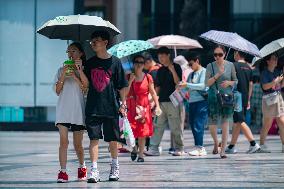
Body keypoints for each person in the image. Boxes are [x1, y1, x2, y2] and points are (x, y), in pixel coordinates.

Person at [84, 30, 128, 183]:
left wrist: (123, 104)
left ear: (105, 42)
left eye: (96, 40)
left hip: (111, 107)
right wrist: (77, 70)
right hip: (93, 107)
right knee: (93, 139)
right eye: (92, 40)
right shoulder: (89, 63)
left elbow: (122, 85)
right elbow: (85, 85)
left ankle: (115, 166)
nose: (93, 43)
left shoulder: (115, 62)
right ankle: (94, 170)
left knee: (113, 139)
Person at [54, 42, 89, 183]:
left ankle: (82, 167)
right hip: (63, 110)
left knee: (78, 145)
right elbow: (57, 91)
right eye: (68, 52)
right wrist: (63, 75)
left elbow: (85, 88)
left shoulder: (84, 70)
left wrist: (77, 73)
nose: (70, 54)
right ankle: (63, 172)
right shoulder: (60, 70)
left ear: (81, 54)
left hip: (78, 111)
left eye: (73, 51)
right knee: (63, 142)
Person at [144, 46, 185, 156]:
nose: (161, 58)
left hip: (174, 101)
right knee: (157, 125)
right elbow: (158, 87)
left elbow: (178, 83)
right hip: (162, 102)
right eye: (159, 56)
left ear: (168, 55)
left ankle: (179, 148)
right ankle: (154, 148)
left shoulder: (176, 67)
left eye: (163, 56)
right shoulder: (160, 70)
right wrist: (153, 100)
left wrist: (172, 70)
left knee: (176, 126)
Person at [125, 54, 161, 162]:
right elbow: (125, 93)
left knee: (142, 132)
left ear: (144, 64)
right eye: (137, 62)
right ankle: (134, 149)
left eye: (141, 62)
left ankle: (141, 155)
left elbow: (153, 92)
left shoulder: (148, 77)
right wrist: (130, 81)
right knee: (131, 130)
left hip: (144, 106)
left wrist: (157, 105)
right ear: (133, 63)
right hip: (131, 106)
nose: (139, 64)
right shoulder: (128, 76)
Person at [205, 45, 238, 158]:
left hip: (227, 97)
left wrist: (229, 83)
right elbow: (206, 83)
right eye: (215, 54)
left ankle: (223, 151)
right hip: (213, 97)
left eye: (220, 54)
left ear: (224, 54)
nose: (217, 57)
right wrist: (218, 74)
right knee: (212, 124)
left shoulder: (230, 65)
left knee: (225, 123)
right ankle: (215, 142)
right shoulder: (210, 66)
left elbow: (236, 81)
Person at [225, 51, 260, 154]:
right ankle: (231, 146)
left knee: (240, 120)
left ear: (237, 54)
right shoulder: (249, 67)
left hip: (236, 96)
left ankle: (253, 144)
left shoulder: (233, 65)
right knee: (237, 121)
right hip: (245, 97)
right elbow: (251, 85)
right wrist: (248, 99)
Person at [179, 52, 208, 156]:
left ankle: (200, 147)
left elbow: (202, 86)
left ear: (197, 61)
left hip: (201, 101)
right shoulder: (191, 74)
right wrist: (182, 86)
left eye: (191, 64)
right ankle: (198, 146)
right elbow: (188, 88)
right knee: (192, 124)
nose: (190, 67)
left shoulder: (204, 71)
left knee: (198, 124)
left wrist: (187, 84)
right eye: (189, 65)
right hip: (191, 102)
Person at [258, 53, 284, 153]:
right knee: (267, 124)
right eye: (273, 59)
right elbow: (265, 87)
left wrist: (282, 80)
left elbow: (281, 86)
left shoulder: (278, 71)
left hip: (278, 98)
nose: (276, 60)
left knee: (282, 122)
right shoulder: (264, 73)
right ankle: (262, 145)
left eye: (276, 59)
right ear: (268, 61)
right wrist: (275, 81)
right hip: (269, 100)